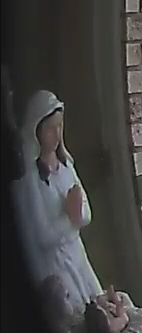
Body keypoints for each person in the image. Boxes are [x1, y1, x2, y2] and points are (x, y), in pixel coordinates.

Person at [16, 90, 104, 312]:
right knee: (75, 313)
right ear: (36, 130)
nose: (56, 135)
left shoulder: (66, 166)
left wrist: (77, 215)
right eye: (49, 129)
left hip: (77, 255)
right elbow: (43, 236)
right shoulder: (30, 178)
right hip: (56, 264)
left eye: (59, 127)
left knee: (98, 303)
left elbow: (86, 212)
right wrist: (71, 218)